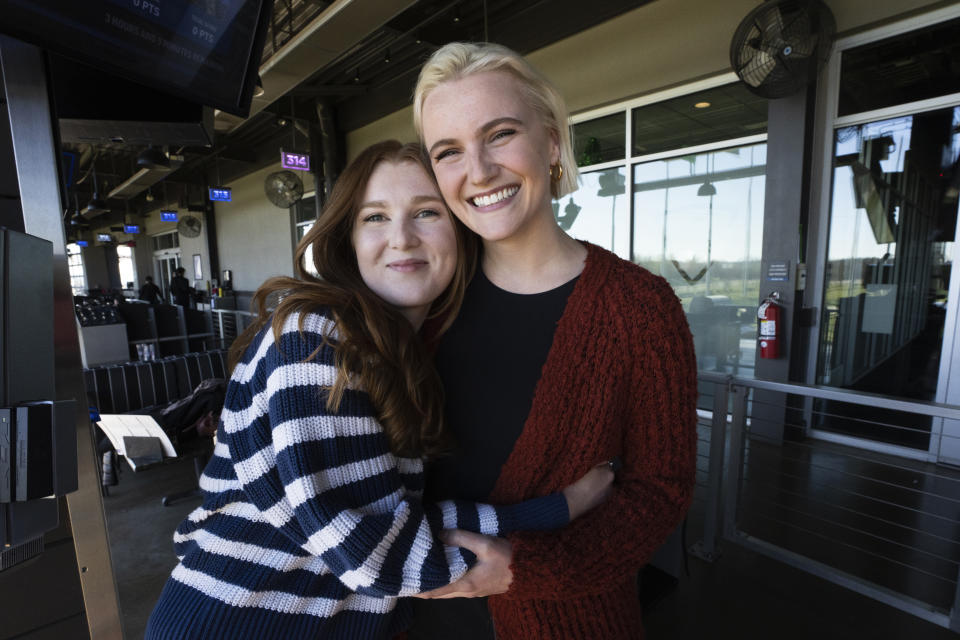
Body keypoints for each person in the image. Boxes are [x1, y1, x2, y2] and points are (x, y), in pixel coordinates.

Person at [144, 141, 613, 640]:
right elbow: (375, 554)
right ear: (347, 239)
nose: (402, 238)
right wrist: (558, 511)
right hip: (236, 622)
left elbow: (387, 519)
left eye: (427, 212)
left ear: (459, 231)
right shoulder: (316, 340)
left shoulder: (393, 349)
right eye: (375, 218)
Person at [408, 42, 698, 639]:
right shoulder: (423, 303)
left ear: (553, 142)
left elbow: (660, 489)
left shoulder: (639, 308)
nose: (480, 170)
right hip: (418, 617)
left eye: (500, 133)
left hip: (568, 620)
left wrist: (527, 568)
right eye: (449, 152)